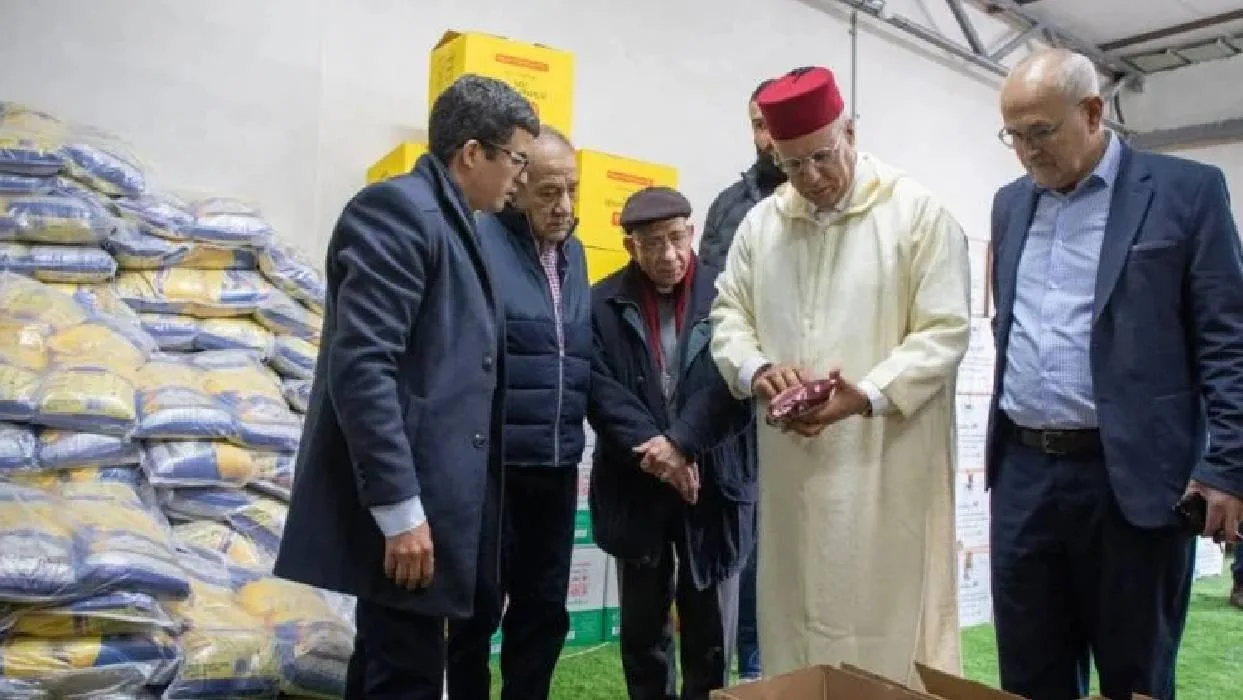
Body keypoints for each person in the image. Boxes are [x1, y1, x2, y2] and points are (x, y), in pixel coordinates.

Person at [987, 48, 1243, 700]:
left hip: (1134, 478)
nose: (1026, 151)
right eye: (1013, 136)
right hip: (1023, 475)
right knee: (1028, 676)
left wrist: (1226, 466)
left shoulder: (1186, 193)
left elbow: (1229, 341)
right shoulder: (1009, 205)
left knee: (1135, 677)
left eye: (1040, 132)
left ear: (1094, 112)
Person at [272, 74, 539, 700]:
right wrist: (399, 512)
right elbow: (363, 367)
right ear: (472, 153)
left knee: (387, 667)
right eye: (517, 160)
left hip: (433, 504)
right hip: (408, 507)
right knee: (405, 676)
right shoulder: (399, 212)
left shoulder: (455, 221)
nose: (521, 178)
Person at [709, 65, 971, 685]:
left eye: (822, 157)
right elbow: (728, 314)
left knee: (884, 618)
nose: (809, 177)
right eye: (792, 165)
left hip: (884, 462)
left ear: (849, 132)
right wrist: (759, 369)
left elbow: (944, 330)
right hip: (793, 470)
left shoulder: (915, 214)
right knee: (794, 616)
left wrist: (866, 396)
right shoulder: (762, 225)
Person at [587, 186, 757, 700]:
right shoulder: (601, 302)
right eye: (653, 243)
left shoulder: (729, 294)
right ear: (630, 246)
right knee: (643, 633)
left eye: (677, 238)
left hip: (714, 480)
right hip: (637, 481)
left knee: (711, 635)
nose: (668, 254)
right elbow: (598, 388)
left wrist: (682, 443)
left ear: (692, 234)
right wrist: (658, 452)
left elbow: (736, 383)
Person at [445, 126, 592, 700]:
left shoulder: (576, 255)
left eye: (572, 190)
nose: (565, 207)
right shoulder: (480, 241)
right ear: (518, 186)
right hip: (495, 467)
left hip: (556, 466)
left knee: (544, 611)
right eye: (550, 193)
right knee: (476, 610)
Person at [699, 77, 787, 684]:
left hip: (821, 398)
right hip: (746, 399)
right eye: (757, 124)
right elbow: (712, 308)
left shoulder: (835, 196)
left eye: (773, 123)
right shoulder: (731, 207)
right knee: (748, 544)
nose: (766, 137)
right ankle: (751, 672)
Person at [699, 77, 788, 270]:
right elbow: (708, 280)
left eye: (777, 122)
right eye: (760, 125)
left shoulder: (821, 197)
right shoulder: (725, 205)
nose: (769, 138)